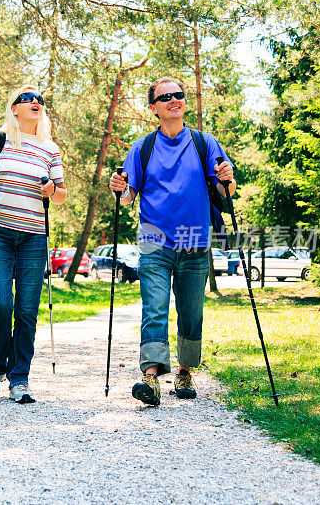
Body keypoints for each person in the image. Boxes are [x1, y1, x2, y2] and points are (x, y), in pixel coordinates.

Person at [109, 77, 235, 406]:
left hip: (195, 241)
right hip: (154, 241)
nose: (174, 100)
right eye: (165, 97)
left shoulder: (205, 143)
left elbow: (225, 191)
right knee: (154, 308)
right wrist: (119, 189)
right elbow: (129, 195)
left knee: (191, 312)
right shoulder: (142, 147)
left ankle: (184, 372)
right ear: (154, 108)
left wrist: (226, 181)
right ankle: (150, 379)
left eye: (178, 95)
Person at [0, 84, 66, 404]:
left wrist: (52, 189)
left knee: (26, 310)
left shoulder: (50, 149)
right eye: (28, 99)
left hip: (33, 240)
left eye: (39, 100)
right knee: (0, 303)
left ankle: (19, 378)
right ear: (14, 109)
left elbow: (62, 195)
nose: (35, 102)